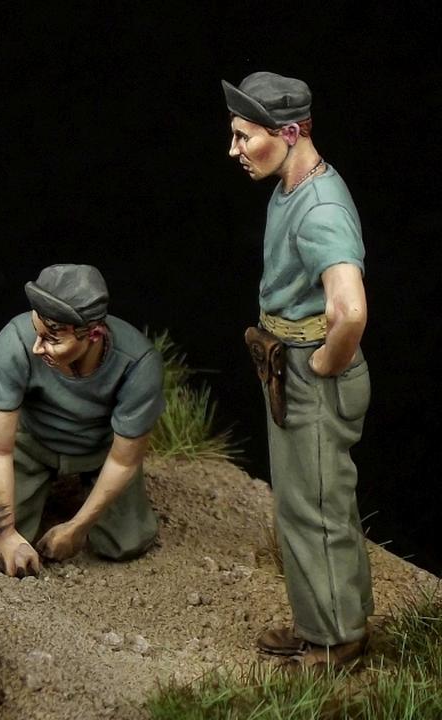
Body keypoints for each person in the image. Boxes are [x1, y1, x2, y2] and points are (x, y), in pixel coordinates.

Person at [222, 71, 373, 667]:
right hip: (289, 369)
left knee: (316, 509)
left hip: (312, 378)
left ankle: (338, 640)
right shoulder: (292, 189)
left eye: (244, 137)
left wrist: (322, 362)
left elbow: (350, 311)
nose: (234, 150)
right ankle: (326, 619)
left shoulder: (320, 211)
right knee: (307, 502)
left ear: (288, 133)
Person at [0, 264, 165, 578]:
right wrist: (4, 534)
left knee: (127, 541)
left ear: (94, 334)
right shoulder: (15, 342)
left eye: (52, 338)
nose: (37, 347)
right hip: (34, 442)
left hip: (100, 450)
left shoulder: (138, 365)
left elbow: (124, 459)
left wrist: (77, 528)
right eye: (36, 331)